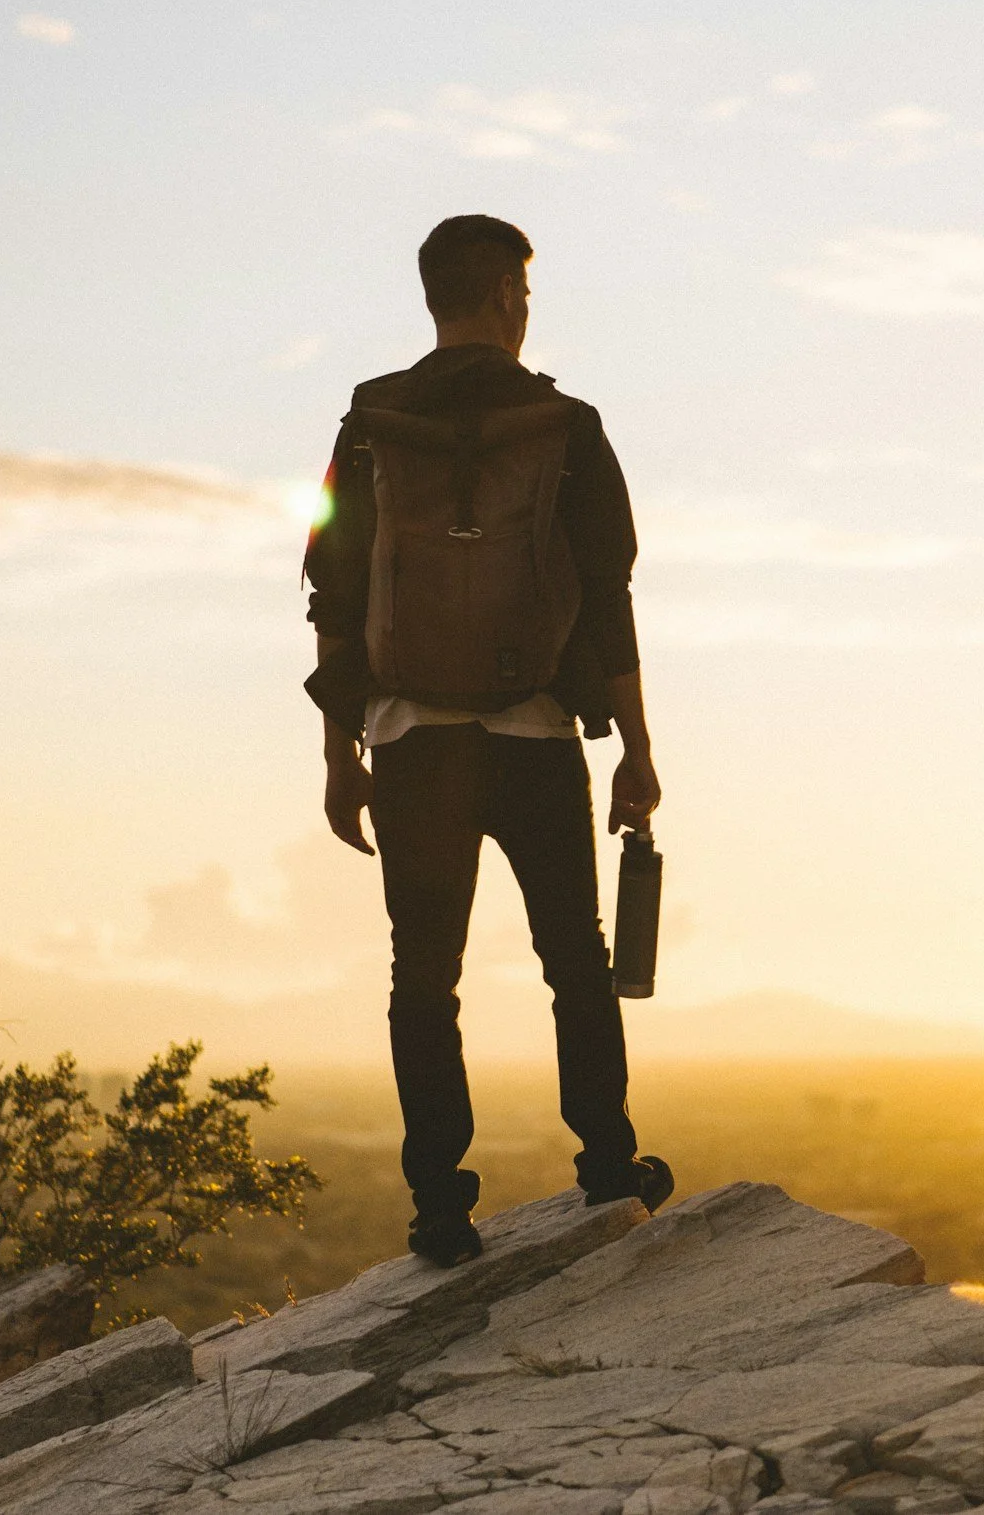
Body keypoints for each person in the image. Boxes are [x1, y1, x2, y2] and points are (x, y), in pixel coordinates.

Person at [302, 214, 672, 1267]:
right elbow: (608, 599)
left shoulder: (371, 424)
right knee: (577, 962)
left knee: (423, 974)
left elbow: (332, 592)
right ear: (510, 294)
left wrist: (340, 758)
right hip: (535, 735)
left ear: (431, 299)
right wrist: (636, 749)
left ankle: (438, 1209)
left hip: (411, 738)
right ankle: (606, 1163)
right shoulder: (566, 424)